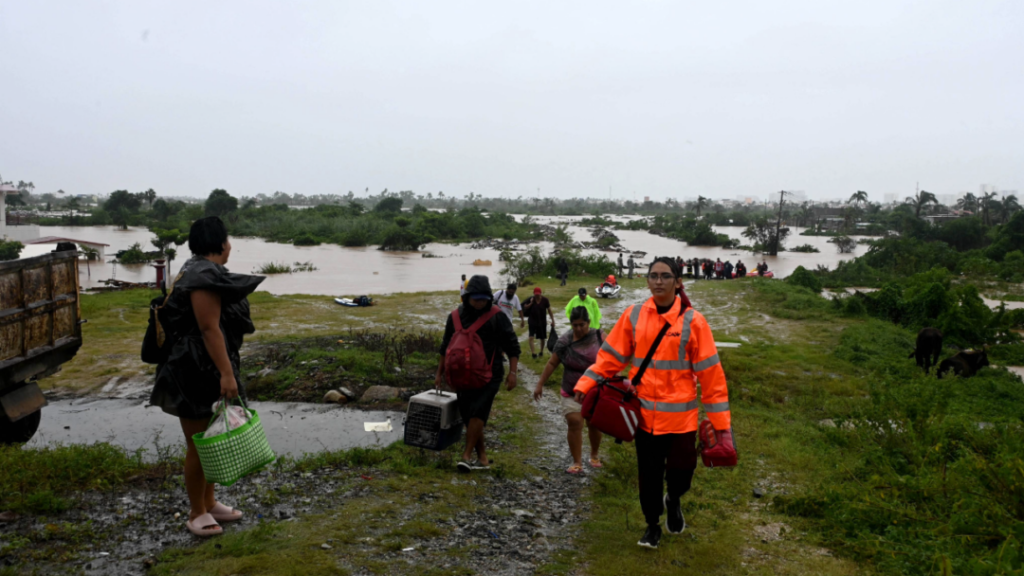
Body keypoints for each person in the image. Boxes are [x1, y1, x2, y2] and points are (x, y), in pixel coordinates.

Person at [573, 257, 731, 550]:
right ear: (647, 280)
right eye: (653, 276)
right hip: (643, 417)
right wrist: (585, 382)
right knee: (649, 476)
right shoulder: (633, 315)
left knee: (682, 474)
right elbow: (610, 357)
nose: (658, 281)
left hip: (681, 420)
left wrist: (721, 425)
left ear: (678, 282)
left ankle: (674, 499)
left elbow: (711, 376)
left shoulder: (693, 321)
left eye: (665, 276)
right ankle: (652, 526)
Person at [149, 216, 265, 538]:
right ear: (221, 243)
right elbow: (208, 328)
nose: (231, 246)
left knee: (212, 438)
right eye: (228, 240)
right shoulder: (202, 278)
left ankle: (210, 502)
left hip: (204, 367)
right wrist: (227, 375)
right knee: (198, 444)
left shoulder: (197, 269)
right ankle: (196, 512)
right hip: (193, 371)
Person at [437, 275, 521, 472]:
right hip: (461, 375)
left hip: (490, 375)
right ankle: (482, 459)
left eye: (484, 299)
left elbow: (513, 347)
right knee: (469, 417)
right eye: (476, 299)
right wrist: (438, 373)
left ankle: (466, 456)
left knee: (478, 413)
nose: (480, 302)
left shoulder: (497, 316)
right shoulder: (455, 316)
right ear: (467, 297)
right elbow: (444, 347)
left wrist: (513, 373)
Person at [533, 306, 604, 474]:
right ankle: (577, 462)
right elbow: (552, 363)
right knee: (574, 423)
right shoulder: (565, 341)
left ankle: (594, 454)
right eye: (575, 325)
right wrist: (540, 384)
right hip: (571, 389)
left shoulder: (600, 337)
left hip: (595, 390)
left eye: (582, 325)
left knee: (593, 424)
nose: (579, 329)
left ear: (588, 322)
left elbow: (613, 358)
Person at [523, 287, 555, 359]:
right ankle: (533, 353)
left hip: (542, 322)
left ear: (541, 293)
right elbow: (525, 307)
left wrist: (553, 320)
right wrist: (531, 302)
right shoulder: (531, 299)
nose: (537, 295)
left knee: (542, 337)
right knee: (531, 337)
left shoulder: (545, 300)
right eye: (535, 294)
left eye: (538, 294)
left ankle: (541, 351)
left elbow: (549, 310)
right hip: (532, 321)